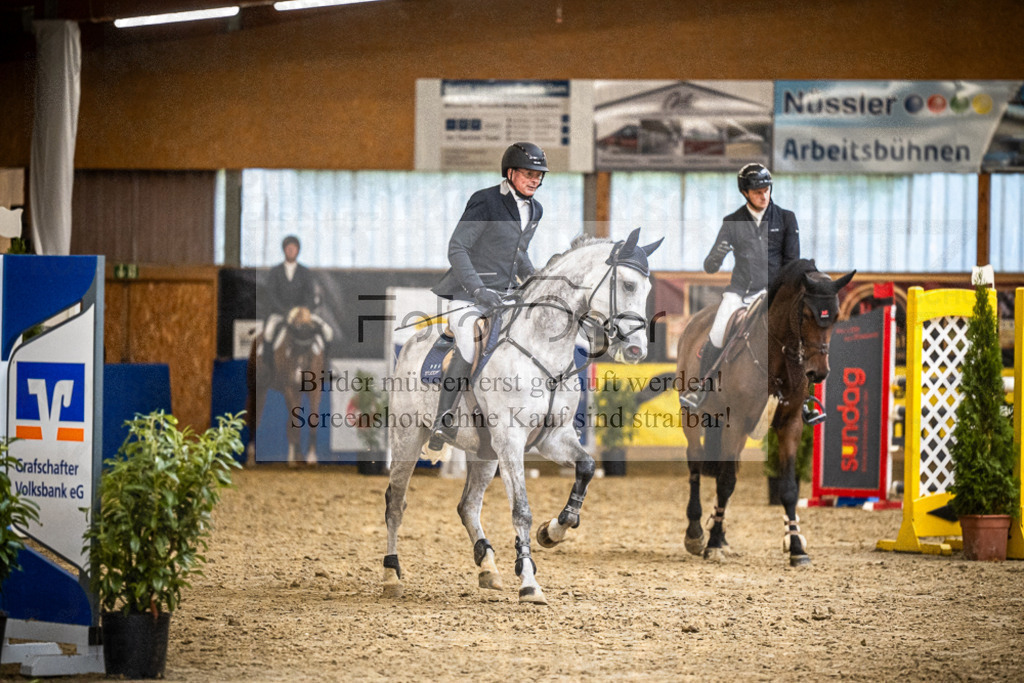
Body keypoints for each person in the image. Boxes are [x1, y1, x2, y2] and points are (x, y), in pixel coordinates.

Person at [426, 142, 548, 452]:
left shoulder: (535, 209)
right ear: (510, 173)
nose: (535, 180)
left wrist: (535, 281)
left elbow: (518, 252)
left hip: (505, 296)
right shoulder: (486, 201)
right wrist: (478, 288)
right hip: (468, 294)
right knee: (468, 343)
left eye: (539, 175)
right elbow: (458, 248)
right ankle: (443, 418)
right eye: (528, 174)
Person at [679, 163, 800, 410]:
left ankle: (803, 398)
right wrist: (717, 255)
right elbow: (711, 265)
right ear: (745, 193)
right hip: (740, 293)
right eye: (757, 191)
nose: (763, 195)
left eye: (766, 189)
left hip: (774, 294)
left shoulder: (786, 218)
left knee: (797, 336)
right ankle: (702, 389)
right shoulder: (732, 221)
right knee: (716, 334)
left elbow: (793, 262)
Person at [261, 235, 332, 370]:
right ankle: (268, 366)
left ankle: (326, 366)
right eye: (288, 248)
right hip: (281, 313)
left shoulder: (305, 272)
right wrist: (285, 311)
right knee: (269, 332)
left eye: (294, 249)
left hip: (302, 314)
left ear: (298, 250)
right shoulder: (275, 272)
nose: (291, 251)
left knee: (328, 331)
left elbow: (310, 294)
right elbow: (271, 295)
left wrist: (303, 310)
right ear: (284, 250)